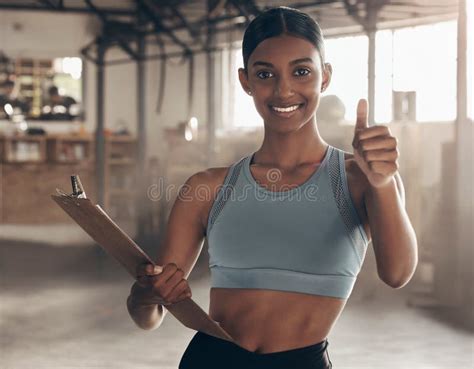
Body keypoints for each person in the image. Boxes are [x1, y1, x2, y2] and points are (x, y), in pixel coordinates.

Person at [126, 6, 418, 369]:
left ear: (324, 77)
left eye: (301, 71)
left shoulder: (362, 179)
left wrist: (383, 182)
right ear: (245, 80)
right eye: (265, 74)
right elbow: (149, 315)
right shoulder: (208, 188)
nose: (284, 90)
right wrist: (144, 294)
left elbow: (398, 274)